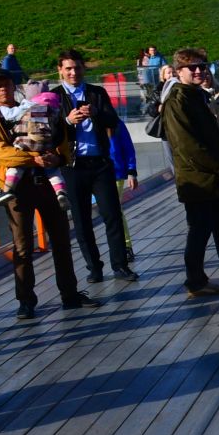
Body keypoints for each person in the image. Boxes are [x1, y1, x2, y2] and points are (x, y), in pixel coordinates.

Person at [0, 71, 97, 319]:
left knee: (62, 241)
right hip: (16, 190)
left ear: (14, 86)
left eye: (7, 84)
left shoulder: (38, 106)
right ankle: (26, 300)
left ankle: (70, 294)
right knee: (22, 246)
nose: (3, 89)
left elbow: (61, 138)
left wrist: (59, 156)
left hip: (47, 184)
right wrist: (35, 158)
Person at [161, 48, 219, 298]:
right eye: (192, 68)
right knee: (199, 230)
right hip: (197, 178)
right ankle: (195, 281)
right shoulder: (178, 100)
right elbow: (188, 145)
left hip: (208, 175)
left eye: (202, 66)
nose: (199, 71)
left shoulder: (194, 94)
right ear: (179, 72)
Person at [51, 50, 137, 283]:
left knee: (112, 215)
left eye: (77, 68)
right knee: (81, 220)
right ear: (60, 70)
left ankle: (120, 265)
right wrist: (68, 120)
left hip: (100, 163)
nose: (73, 72)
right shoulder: (54, 97)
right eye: (68, 68)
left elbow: (113, 122)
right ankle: (94, 268)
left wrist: (96, 113)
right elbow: (50, 133)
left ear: (83, 69)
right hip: (73, 166)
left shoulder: (96, 93)